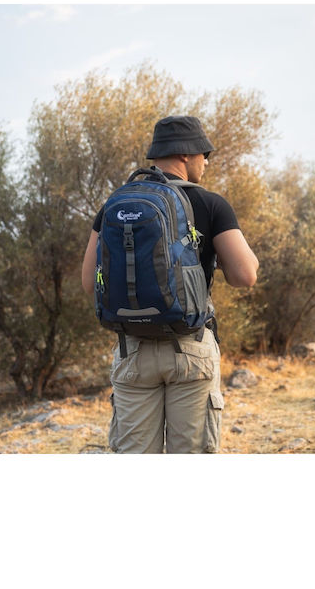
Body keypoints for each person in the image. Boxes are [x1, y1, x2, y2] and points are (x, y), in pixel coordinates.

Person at [81, 115, 259, 453]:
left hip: (132, 351)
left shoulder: (113, 205)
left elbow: (90, 282)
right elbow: (245, 275)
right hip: (190, 349)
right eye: (204, 154)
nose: (206, 162)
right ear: (185, 154)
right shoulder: (210, 203)